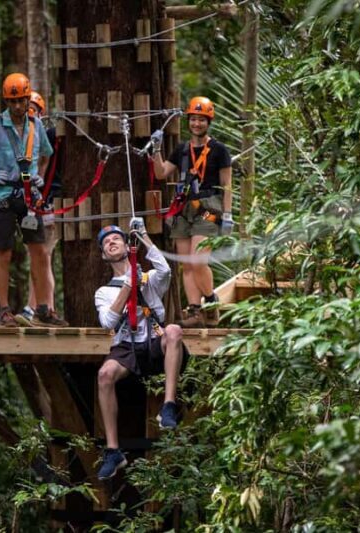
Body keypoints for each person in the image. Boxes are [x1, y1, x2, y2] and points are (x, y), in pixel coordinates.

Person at [0, 73, 68, 327]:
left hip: (29, 198)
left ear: (28, 99)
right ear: (6, 101)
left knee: (39, 251)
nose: (17, 106)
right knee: (4, 252)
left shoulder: (35, 126)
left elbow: (46, 154)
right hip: (3, 196)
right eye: (12, 101)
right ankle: (5, 311)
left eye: (21, 101)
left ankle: (43, 309)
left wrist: (39, 177)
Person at [94, 219, 189, 480]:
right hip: (126, 345)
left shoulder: (149, 279)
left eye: (116, 238)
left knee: (173, 331)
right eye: (106, 243)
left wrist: (144, 236)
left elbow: (165, 271)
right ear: (104, 255)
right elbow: (108, 322)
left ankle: (168, 406)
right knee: (104, 375)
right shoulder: (103, 292)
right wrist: (128, 285)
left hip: (153, 340)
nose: (111, 242)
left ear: (127, 246)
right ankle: (113, 451)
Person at [150, 96, 233, 328]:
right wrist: (156, 150)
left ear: (209, 122)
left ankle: (211, 301)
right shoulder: (182, 150)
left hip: (208, 207)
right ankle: (195, 312)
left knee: (198, 261)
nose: (197, 124)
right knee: (187, 264)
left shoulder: (219, 150)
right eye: (193, 119)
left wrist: (227, 215)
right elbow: (161, 173)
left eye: (201, 120)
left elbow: (227, 185)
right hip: (184, 207)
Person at [15, 90, 63, 325]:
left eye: (34, 111)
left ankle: (37, 306)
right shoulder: (22, 141)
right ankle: (42, 306)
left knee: (42, 255)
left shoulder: (50, 136)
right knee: (40, 256)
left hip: (48, 203)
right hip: (34, 206)